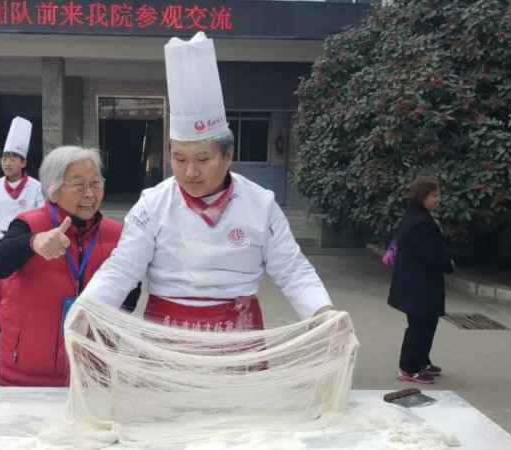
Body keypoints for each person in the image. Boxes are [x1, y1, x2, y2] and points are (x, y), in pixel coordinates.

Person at [72, 31, 335, 333]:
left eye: (202, 158)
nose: (190, 172)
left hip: (238, 334)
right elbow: (122, 267)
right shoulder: (153, 204)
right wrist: (87, 306)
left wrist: (324, 312)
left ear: (228, 154)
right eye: (179, 158)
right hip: (166, 333)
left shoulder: (260, 204)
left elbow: (292, 269)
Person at [0, 145, 140, 387]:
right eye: (79, 185)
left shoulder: (115, 233)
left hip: (92, 375)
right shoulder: (28, 225)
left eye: (95, 184)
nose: (90, 194)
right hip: (27, 373)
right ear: (53, 190)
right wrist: (32, 243)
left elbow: (131, 291)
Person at [0, 117, 45, 366]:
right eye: (5, 158)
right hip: (1, 246)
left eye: (13, 158)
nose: (7, 162)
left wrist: (27, 241)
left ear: (23, 162)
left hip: (28, 246)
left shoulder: (36, 188)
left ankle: (27, 343)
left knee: (27, 297)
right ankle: (3, 343)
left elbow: (41, 216)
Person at [387, 176, 454, 384]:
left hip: (421, 282)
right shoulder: (419, 222)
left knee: (428, 322)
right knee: (419, 326)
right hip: (418, 284)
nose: (438, 199)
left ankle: (421, 360)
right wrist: (449, 264)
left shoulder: (419, 216)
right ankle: (408, 368)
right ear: (422, 196)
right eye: (434, 195)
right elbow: (432, 252)